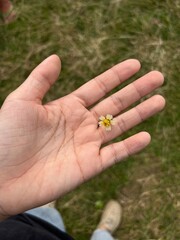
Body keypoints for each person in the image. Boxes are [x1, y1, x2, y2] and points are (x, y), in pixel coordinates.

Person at [0, 55, 165, 239]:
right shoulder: (104, 122)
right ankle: (103, 232)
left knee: (41, 218)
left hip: (15, 225)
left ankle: (43, 211)